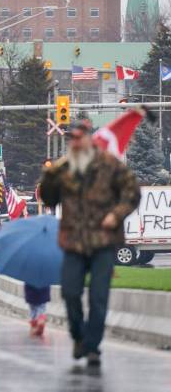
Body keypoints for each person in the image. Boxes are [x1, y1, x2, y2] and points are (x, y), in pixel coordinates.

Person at [38, 120, 140, 367]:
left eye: (77, 137)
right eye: (70, 138)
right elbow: (50, 199)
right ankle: (78, 336)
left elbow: (132, 193)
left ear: (89, 139)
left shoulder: (109, 164)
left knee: (98, 296)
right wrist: (49, 176)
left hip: (102, 241)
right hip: (73, 242)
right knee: (70, 293)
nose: (74, 142)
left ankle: (93, 346)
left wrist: (116, 214)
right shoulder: (63, 169)